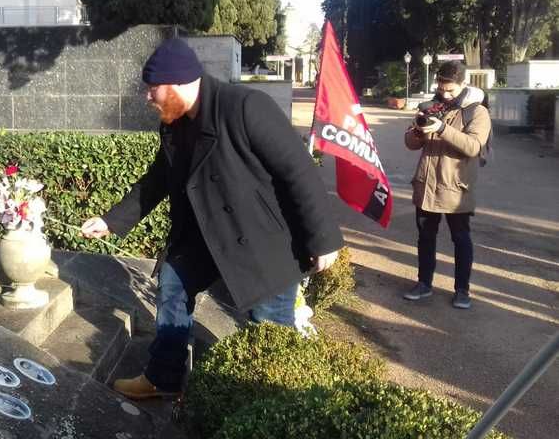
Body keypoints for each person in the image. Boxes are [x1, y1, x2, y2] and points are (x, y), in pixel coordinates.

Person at [80, 37, 343, 400]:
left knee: (268, 332)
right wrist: (112, 221)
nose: (147, 97)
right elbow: (158, 178)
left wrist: (323, 239)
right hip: (200, 237)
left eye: (152, 88)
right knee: (172, 287)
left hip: (262, 243)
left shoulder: (247, 107)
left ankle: (268, 405)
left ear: (178, 84)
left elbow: (299, 172)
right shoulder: (174, 123)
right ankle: (164, 377)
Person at [402, 60, 491, 309]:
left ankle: (462, 290)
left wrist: (441, 128)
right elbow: (410, 143)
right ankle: (424, 284)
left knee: (461, 238)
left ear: (463, 84)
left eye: (451, 90)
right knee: (425, 237)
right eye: (442, 88)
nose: (445, 93)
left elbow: (473, 146)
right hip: (426, 184)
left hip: (456, 188)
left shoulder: (477, 111)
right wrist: (418, 131)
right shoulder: (431, 106)